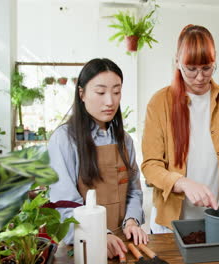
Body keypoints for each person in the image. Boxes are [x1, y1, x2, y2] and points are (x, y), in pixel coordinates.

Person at [141, 24, 219, 233]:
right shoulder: (160, 103)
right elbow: (151, 166)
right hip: (170, 224)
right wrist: (183, 183)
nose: (199, 77)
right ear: (178, 62)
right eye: (191, 69)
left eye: (207, 68)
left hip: (217, 219)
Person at [48, 58, 148, 260]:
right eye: (101, 92)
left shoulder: (124, 140)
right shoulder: (64, 139)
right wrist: (100, 235)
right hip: (83, 246)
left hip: (123, 245)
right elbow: (64, 204)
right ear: (82, 93)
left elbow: (134, 191)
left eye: (117, 92)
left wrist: (131, 221)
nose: (110, 101)